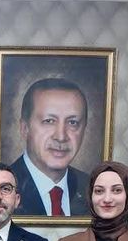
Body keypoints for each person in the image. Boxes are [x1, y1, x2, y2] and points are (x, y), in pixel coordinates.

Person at [9, 78, 89, 217]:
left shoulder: (92, 189)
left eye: (72, 122)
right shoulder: (3, 189)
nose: (61, 136)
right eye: (49, 121)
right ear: (24, 128)